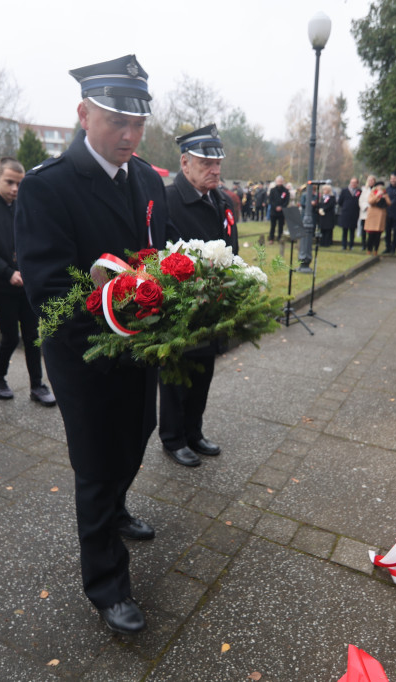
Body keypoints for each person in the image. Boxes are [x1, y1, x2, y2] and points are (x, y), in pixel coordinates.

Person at [14, 55, 169, 635]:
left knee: (138, 434)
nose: (129, 135)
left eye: (137, 124)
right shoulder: (47, 187)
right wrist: (123, 311)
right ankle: (106, 585)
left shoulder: (149, 179)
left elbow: (157, 254)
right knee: (97, 466)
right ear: (83, 115)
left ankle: (118, 507)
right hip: (83, 356)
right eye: (115, 122)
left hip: (141, 349)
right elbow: (50, 291)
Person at [159, 124, 236, 468]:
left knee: (204, 371)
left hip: (212, 303)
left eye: (217, 163)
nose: (215, 170)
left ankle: (194, 431)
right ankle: (173, 438)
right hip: (180, 305)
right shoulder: (168, 199)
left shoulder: (220, 199)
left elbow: (229, 248)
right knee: (177, 374)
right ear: (185, 163)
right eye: (206, 163)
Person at [0, 157, 55, 406]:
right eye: (10, 182)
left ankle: (37, 385)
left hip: (27, 284)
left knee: (32, 335)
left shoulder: (24, 207)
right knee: (9, 336)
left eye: (20, 184)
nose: (16, 189)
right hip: (2, 285)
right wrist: (8, 272)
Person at [364, 180, 389, 255]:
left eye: (382, 186)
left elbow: (389, 203)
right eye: (379, 186)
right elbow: (370, 202)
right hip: (373, 216)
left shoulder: (385, 194)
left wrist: (385, 197)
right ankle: (369, 249)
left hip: (381, 216)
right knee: (371, 235)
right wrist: (377, 195)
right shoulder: (372, 193)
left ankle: (376, 250)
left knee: (378, 235)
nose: (380, 188)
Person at [337, 177, 361, 251]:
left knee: (352, 231)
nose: (353, 184)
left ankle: (351, 245)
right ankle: (344, 245)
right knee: (345, 230)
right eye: (352, 182)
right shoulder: (344, 191)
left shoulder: (359, 191)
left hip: (354, 213)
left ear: (357, 183)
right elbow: (340, 201)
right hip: (345, 213)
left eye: (355, 183)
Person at [358, 174, 377, 251]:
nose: (370, 182)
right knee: (364, 229)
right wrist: (366, 207)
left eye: (372, 180)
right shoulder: (364, 190)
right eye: (369, 180)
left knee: (372, 230)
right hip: (365, 212)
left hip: (373, 212)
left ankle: (371, 244)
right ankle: (363, 244)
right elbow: (361, 200)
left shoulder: (376, 190)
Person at [268, 175, 288, 244]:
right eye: (278, 181)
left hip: (281, 212)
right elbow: (271, 200)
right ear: (276, 182)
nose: (279, 183)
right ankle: (271, 238)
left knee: (280, 226)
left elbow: (286, 201)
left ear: (282, 182)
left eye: (280, 181)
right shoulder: (272, 190)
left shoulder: (285, 191)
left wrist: (281, 207)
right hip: (273, 211)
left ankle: (280, 237)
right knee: (272, 226)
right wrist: (275, 207)